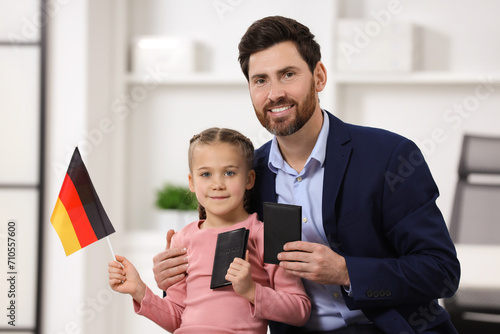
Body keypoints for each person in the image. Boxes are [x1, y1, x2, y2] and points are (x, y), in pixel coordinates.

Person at [153, 16, 461, 334]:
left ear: (319, 76)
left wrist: (346, 271)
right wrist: (172, 278)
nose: (274, 93)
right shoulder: (245, 177)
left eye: (288, 74)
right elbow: (214, 281)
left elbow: (442, 272)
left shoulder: (388, 156)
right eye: (260, 80)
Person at [109, 127, 311, 334]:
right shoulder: (182, 240)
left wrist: (251, 291)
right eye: (206, 174)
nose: (217, 184)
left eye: (229, 173)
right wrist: (139, 290)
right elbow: (178, 318)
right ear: (192, 182)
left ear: (249, 179)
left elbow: (299, 309)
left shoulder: (267, 235)